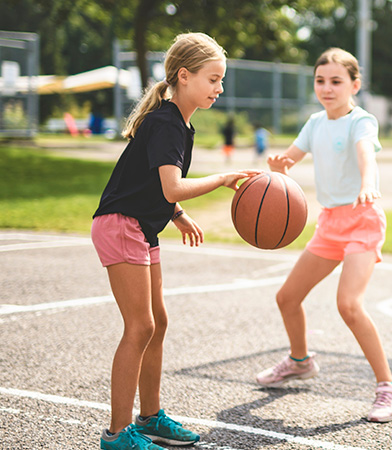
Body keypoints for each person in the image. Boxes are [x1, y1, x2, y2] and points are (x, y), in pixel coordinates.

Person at [91, 33, 258, 450]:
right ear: (184, 76)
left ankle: (150, 418)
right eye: (213, 79)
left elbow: (150, 184)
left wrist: (178, 217)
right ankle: (116, 435)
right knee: (141, 326)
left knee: (158, 322)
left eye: (222, 80)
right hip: (120, 224)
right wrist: (220, 179)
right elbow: (170, 187)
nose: (220, 88)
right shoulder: (166, 122)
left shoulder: (180, 124)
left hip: (141, 225)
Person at [254, 48, 392, 423]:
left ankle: (389, 387)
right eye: (320, 81)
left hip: (363, 220)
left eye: (336, 81)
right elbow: (289, 159)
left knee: (349, 305)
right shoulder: (315, 123)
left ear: (354, 85)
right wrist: (277, 166)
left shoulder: (362, 121)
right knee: (287, 297)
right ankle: (300, 361)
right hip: (330, 225)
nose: (327, 88)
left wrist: (368, 183)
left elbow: (364, 155)